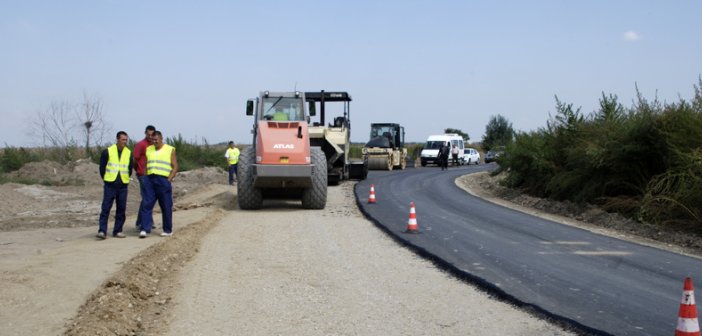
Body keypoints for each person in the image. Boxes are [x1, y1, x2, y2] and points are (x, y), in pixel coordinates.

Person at [139, 130, 178, 238]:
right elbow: (147, 164)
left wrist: (169, 179)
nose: (154, 141)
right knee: (146, 203)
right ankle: (144, 229)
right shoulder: (148, 149)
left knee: (166, 205)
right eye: (152, 140)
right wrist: (145, 177)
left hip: (163, 180)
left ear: (161, 139)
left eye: (156, 139)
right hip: (150, 180)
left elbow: (175, 166)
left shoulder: (170, 149)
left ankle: (167, 230)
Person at [96, 131, 133, 239]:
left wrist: (124, 178)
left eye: (126, 140)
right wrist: (107, 179)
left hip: (122, 184)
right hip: (110, 184)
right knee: (106, 208)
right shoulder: (108, 151)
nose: (124, 142)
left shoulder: (128, 153)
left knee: (121, 208)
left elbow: (129, 168)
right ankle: (102, 230)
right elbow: (102, 168)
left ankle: (118, 230)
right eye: (123, 140)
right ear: (117, 139)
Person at [133, 125, 156, 229]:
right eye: (148, 134)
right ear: (145, 133)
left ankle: (141, 221)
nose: (150, 136)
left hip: (152, 175)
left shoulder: (155, 145)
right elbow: (135, 160)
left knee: (147, 198)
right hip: (143, 175)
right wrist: (139, 171)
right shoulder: (141, 145)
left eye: (152, 134)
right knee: (147, 198)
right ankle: (146, 222)